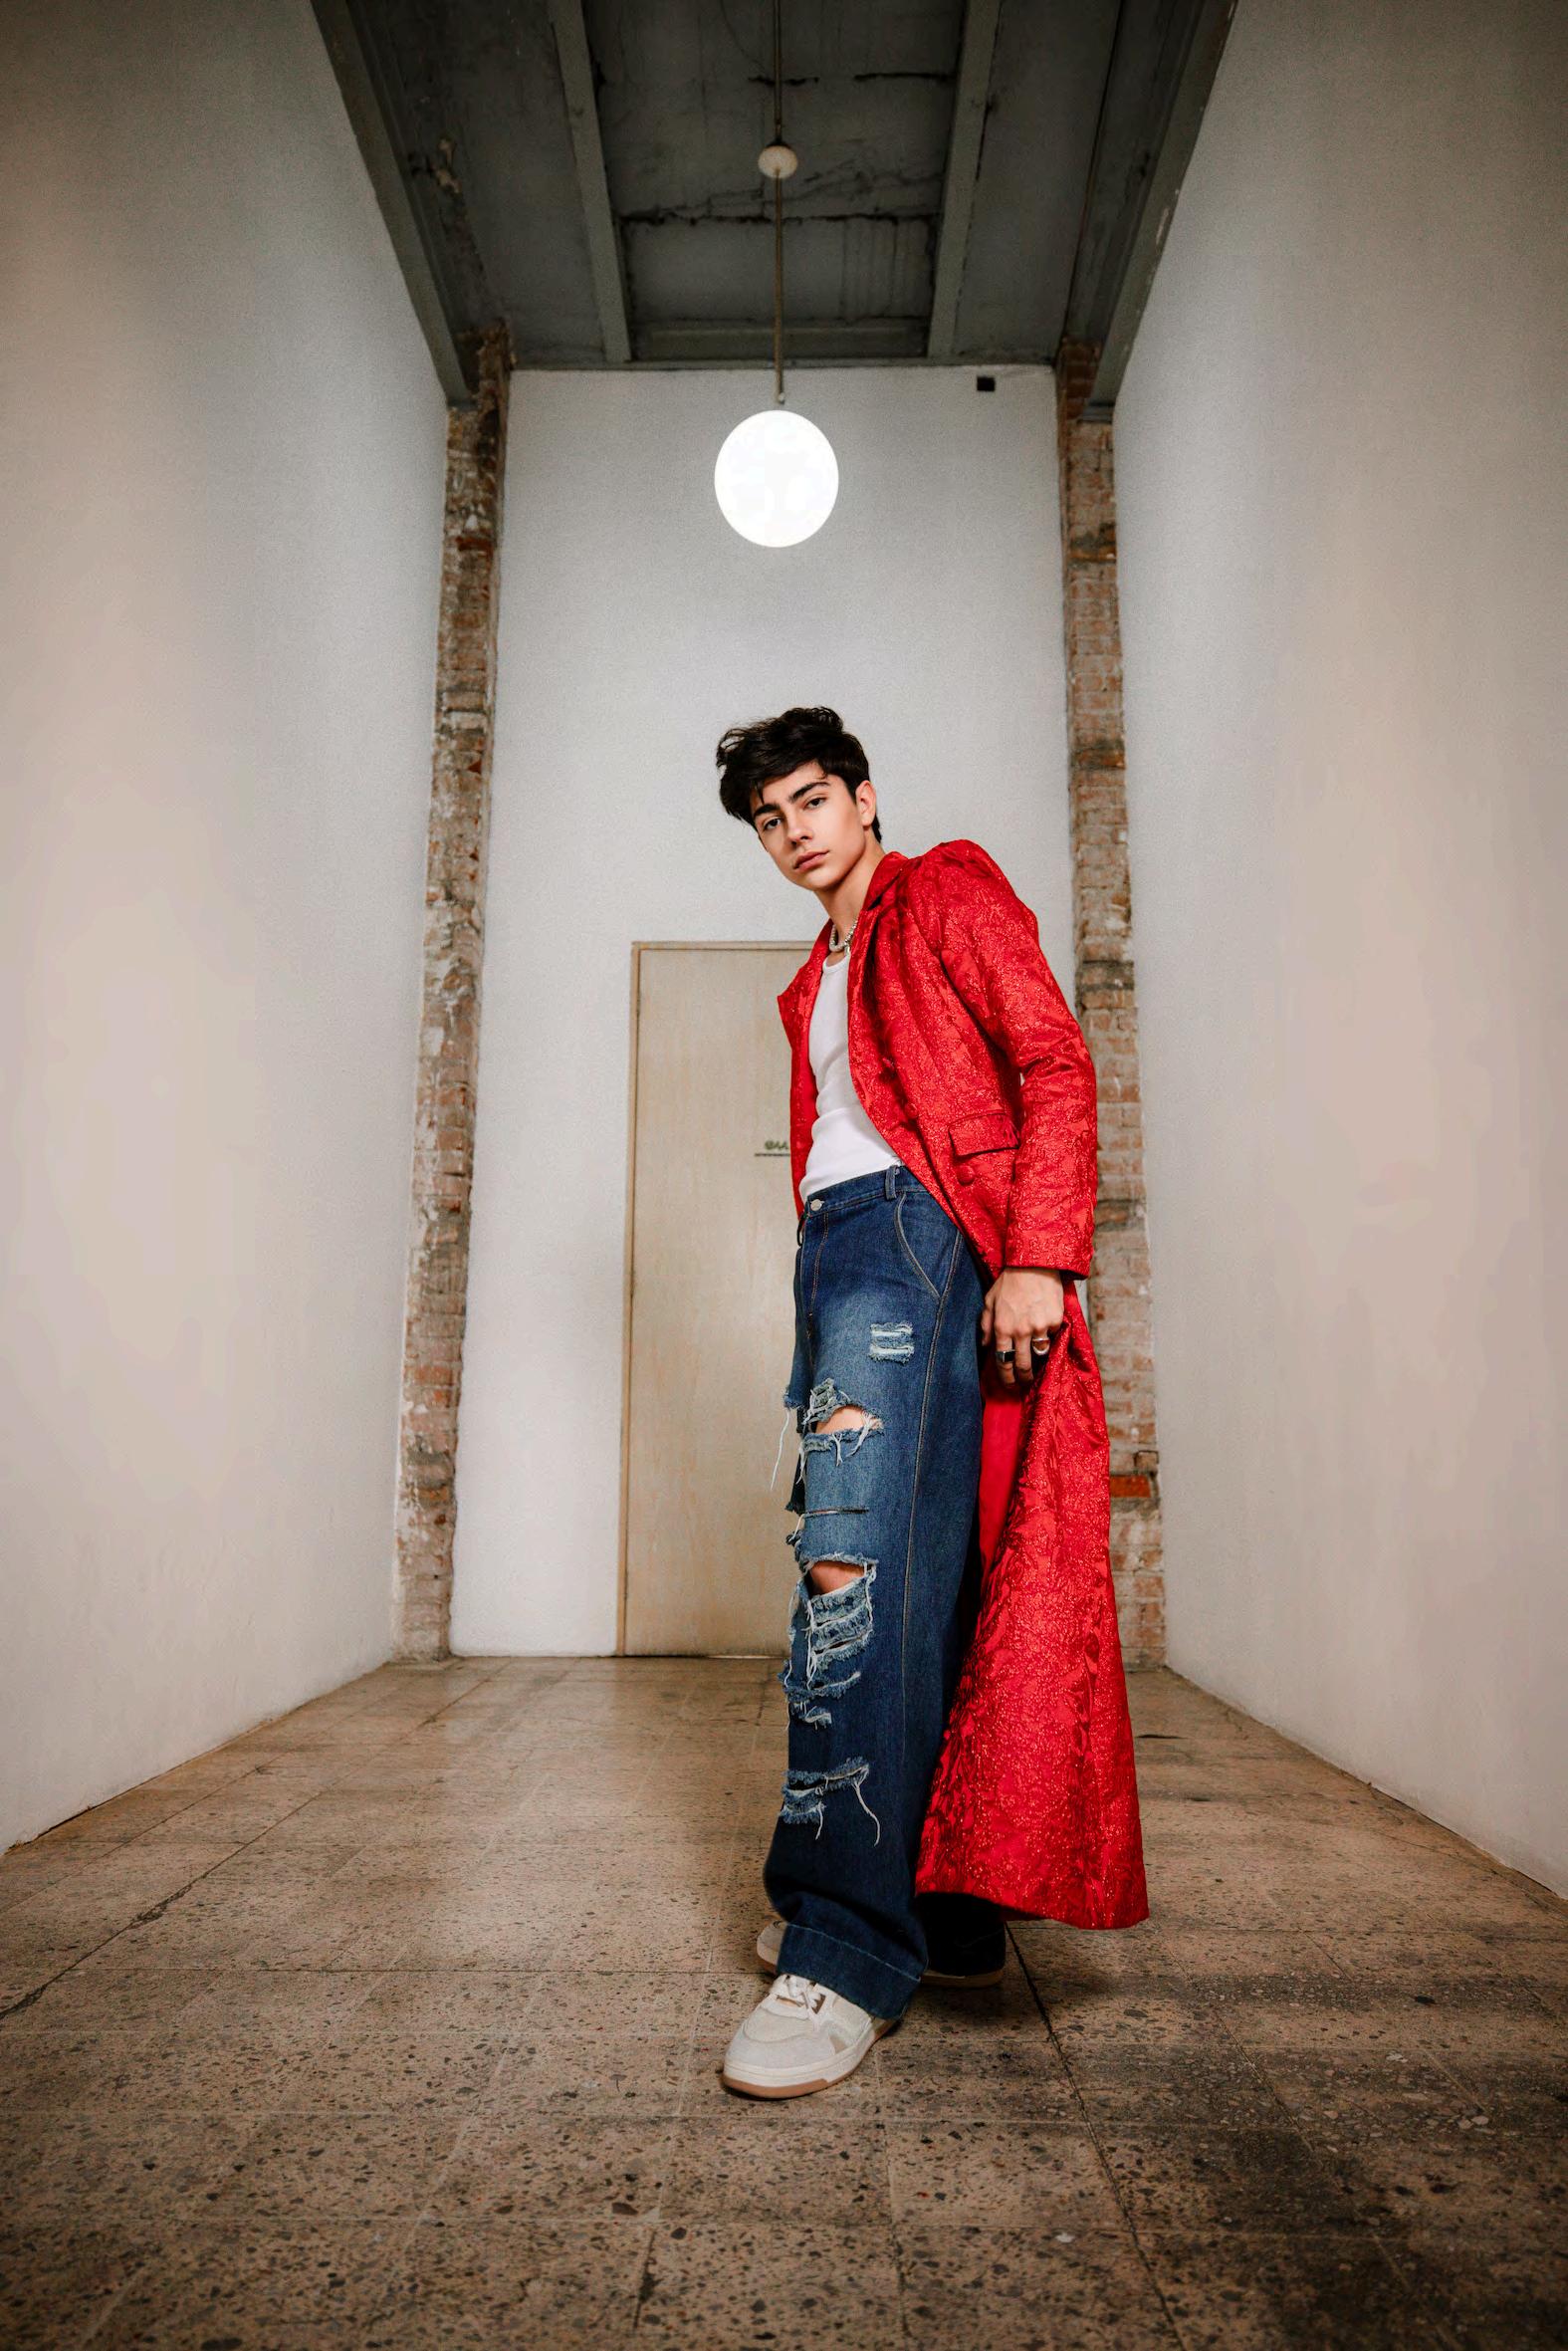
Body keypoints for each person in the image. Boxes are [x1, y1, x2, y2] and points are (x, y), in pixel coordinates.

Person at [715, 707, 1148, 2101]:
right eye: (768, 819)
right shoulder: (812, 978)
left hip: (917, 1238)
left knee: (846, 1578)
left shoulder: (944, 889)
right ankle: (946, 1911)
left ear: (863, 797)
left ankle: (842, 1946)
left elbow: (1054, 1059)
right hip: (839, 1250)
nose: (794, 833)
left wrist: (1038, 1254)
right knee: (927, 1582)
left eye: (810, 800)